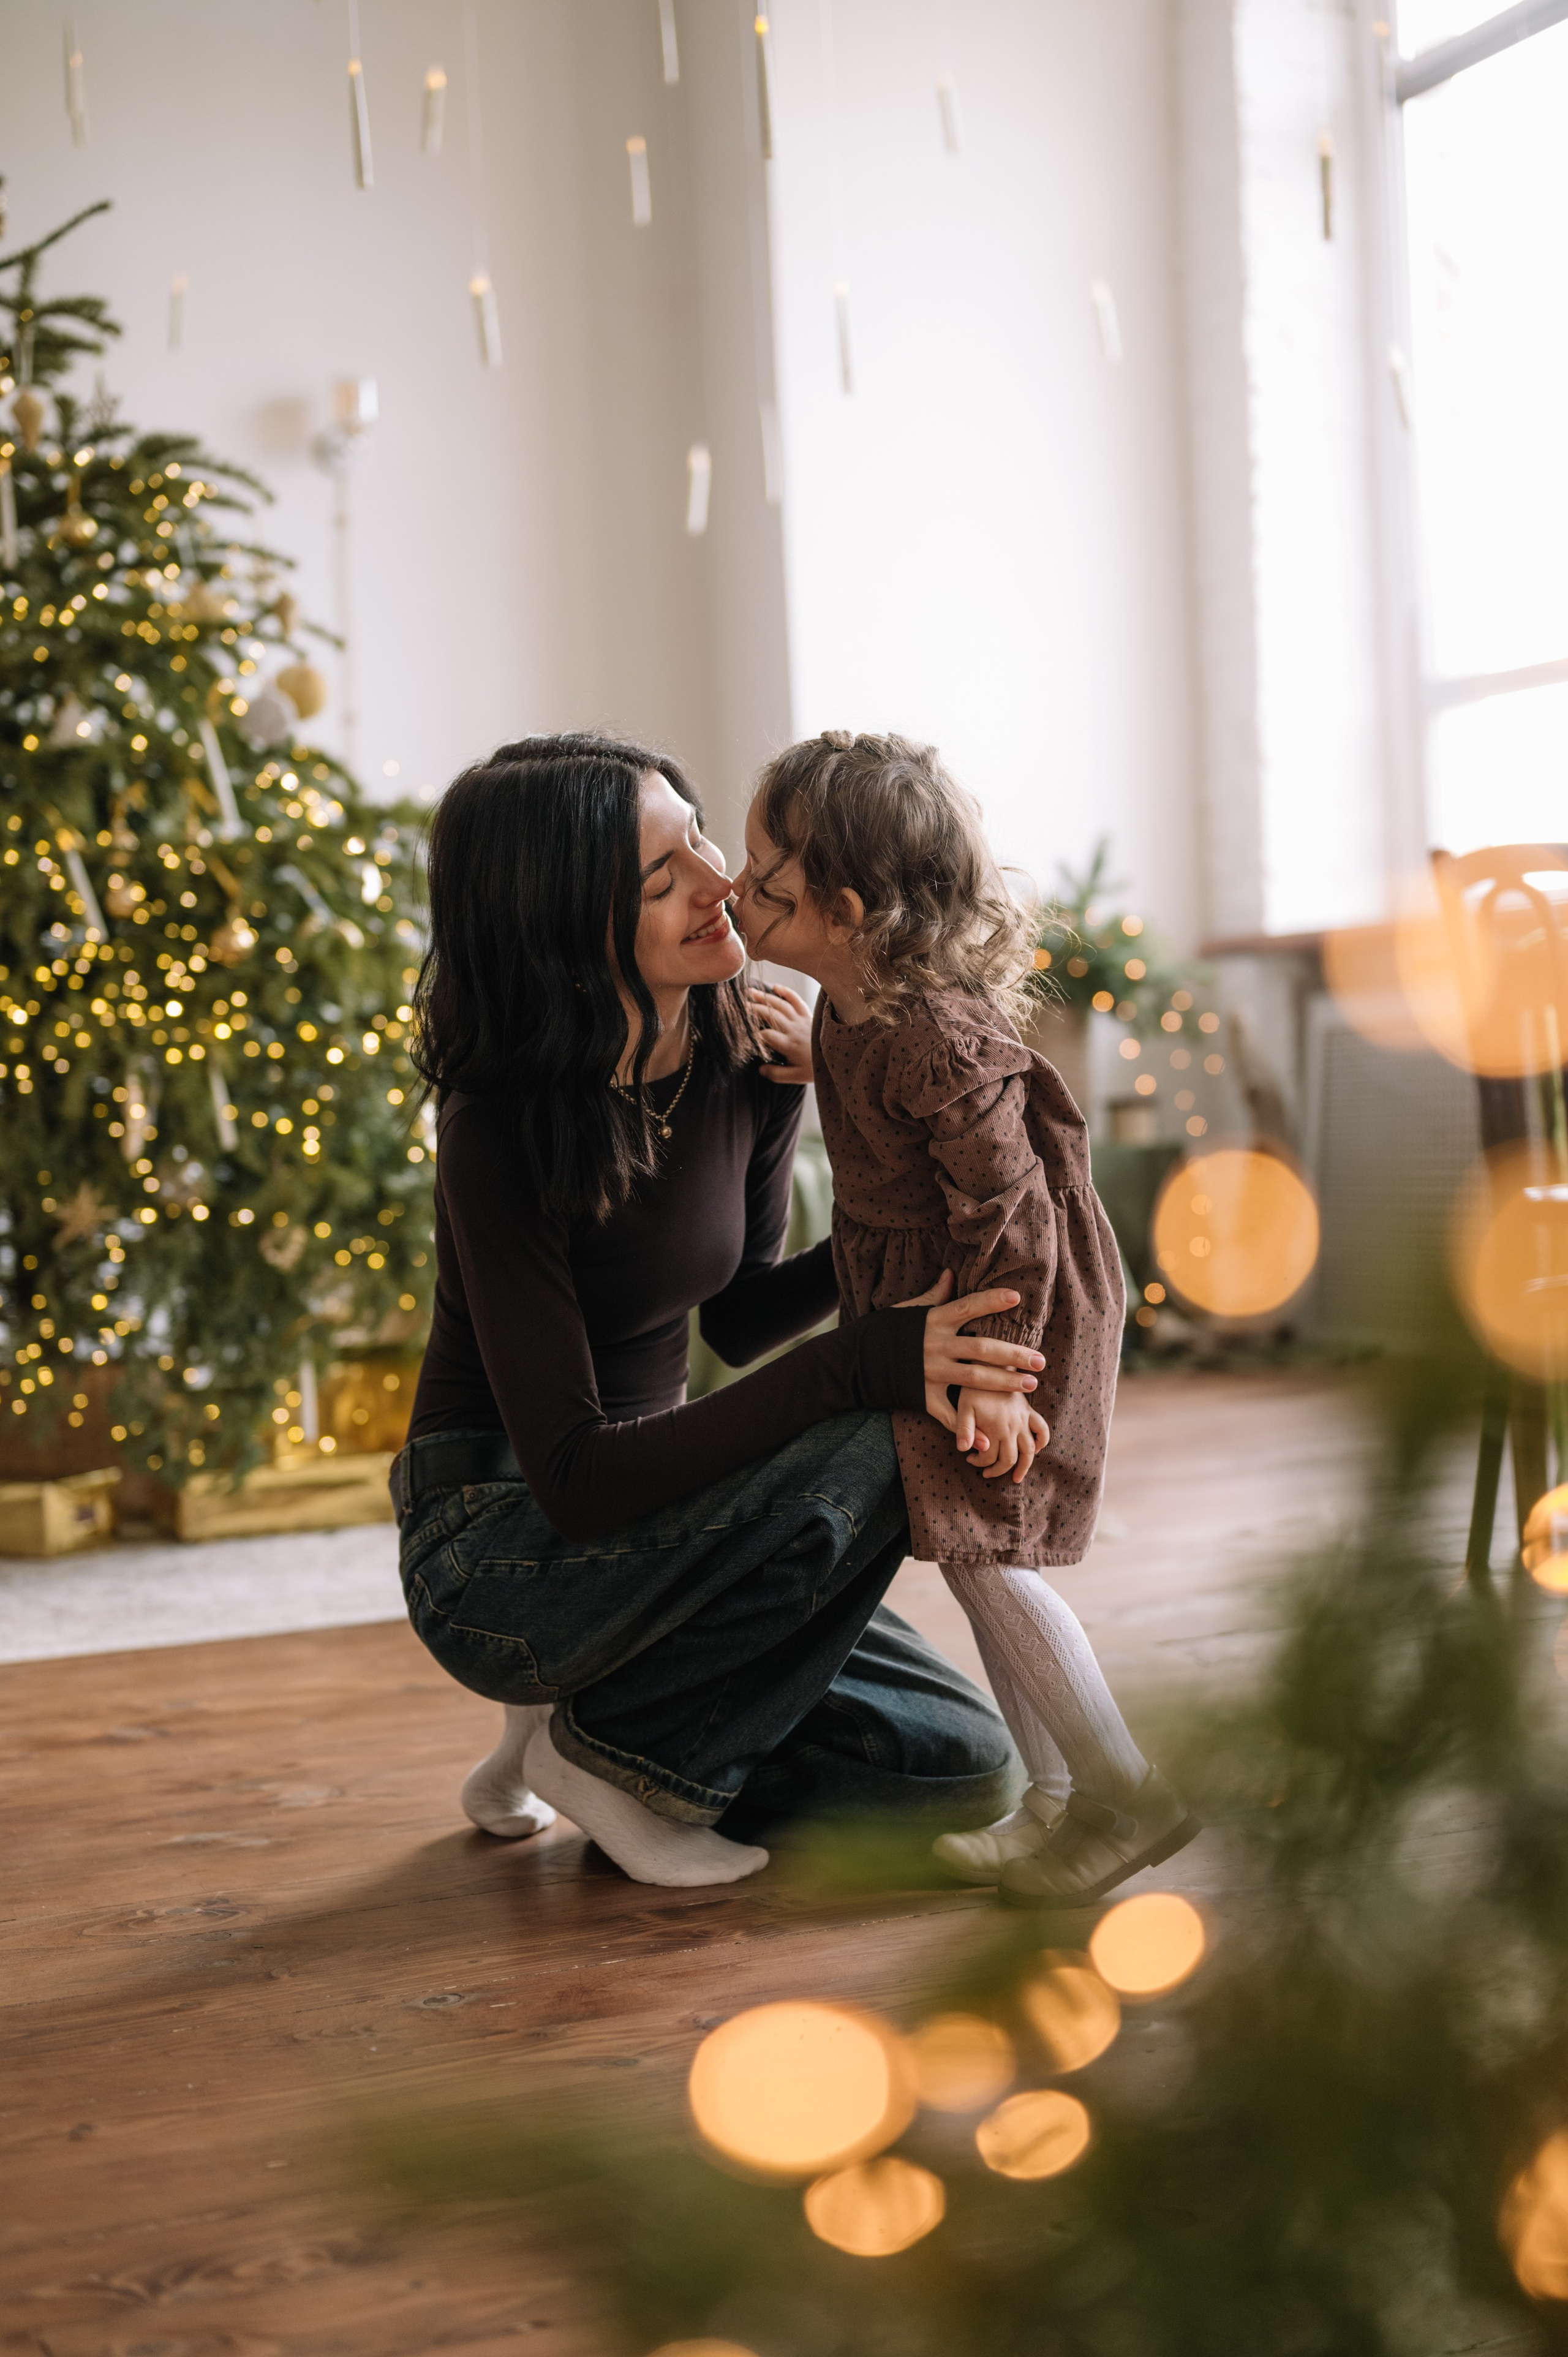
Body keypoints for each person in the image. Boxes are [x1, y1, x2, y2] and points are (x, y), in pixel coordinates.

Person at [394, 731, 1051, 1888]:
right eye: (663, 876)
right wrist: (868, 1360)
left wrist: (910, 1234)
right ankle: (596, 1748)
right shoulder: (498, 1131)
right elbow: (577, 1477)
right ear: (565, 930)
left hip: (677, 1518)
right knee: (885, 1436)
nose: (722, 883)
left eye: (698, 833)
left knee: (960, 1774)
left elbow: (742, 1318)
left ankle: (592, 1728)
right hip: (503, 1547)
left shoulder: (750, 1041)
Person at [731, 731, 1199, 1906]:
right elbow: (886, 1116)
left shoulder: (936, 1033)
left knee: (988, 1552)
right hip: (943, 1309)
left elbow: (1012, 1210)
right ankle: (1055, 1805)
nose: (736, 894)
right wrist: (812, 1067)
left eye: (764, 882)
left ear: (842, 909)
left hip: (1004, 1311)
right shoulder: (854, 999)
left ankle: (1123, 1791)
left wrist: (999, 1371)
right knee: (965, 1547)